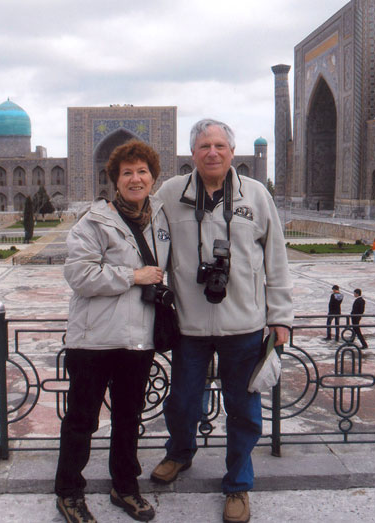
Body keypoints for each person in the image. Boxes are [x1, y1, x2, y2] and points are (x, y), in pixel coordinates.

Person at [150, 119, 293, 523]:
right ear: (191, 153)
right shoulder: (171, 193)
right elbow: (150, 246)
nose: (212, 153)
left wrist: (280, 317)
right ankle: (180, 453)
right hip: (189, 327)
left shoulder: (256, 195)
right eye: (203, 146)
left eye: (219, 146)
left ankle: (239, 484)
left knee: (244, 409)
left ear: (232, 151)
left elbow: (276, 262)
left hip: (244, 326)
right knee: (181, 403)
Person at [55, 140, 170, 523]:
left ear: (153, 177)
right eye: (127, 173)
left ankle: (124, 486)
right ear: (114, 180)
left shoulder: (160, 223)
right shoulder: (94, 222)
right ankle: (69, 492)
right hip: (93, 340)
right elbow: (79, 275)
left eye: (142, 172)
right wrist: (133, 276)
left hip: (137, 340)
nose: (136, 179)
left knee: (127, 417)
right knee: (83, 419)